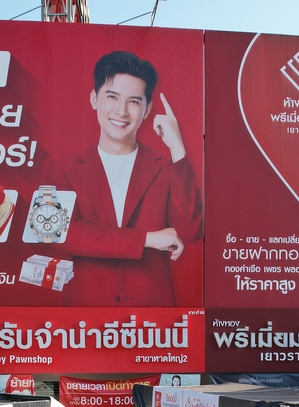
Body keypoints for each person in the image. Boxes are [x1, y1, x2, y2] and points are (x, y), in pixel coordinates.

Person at [41, 50, 204, 307]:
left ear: (147, 110)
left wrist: (178, 148)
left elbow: (192, 230)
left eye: (134, 102)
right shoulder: (58, 167)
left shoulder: (167, 166)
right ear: (94, 99)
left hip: (153, 314)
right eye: (112, 97)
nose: (121, 111)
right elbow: (55, 233)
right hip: (84, 314)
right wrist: (147, 239)